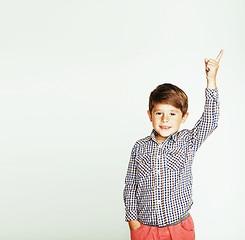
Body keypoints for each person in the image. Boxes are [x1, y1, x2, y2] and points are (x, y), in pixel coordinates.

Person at [123, 50, 224, 240]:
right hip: (145, 228)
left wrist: (211, 80)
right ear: (150, 115)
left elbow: (210, 121)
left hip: (178, 228)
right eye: (159, 113)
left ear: (184, 117)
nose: (165, 119)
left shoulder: (188, 141)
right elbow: (130, 184)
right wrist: (132, 219)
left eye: (172, 113)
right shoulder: (139, 147)